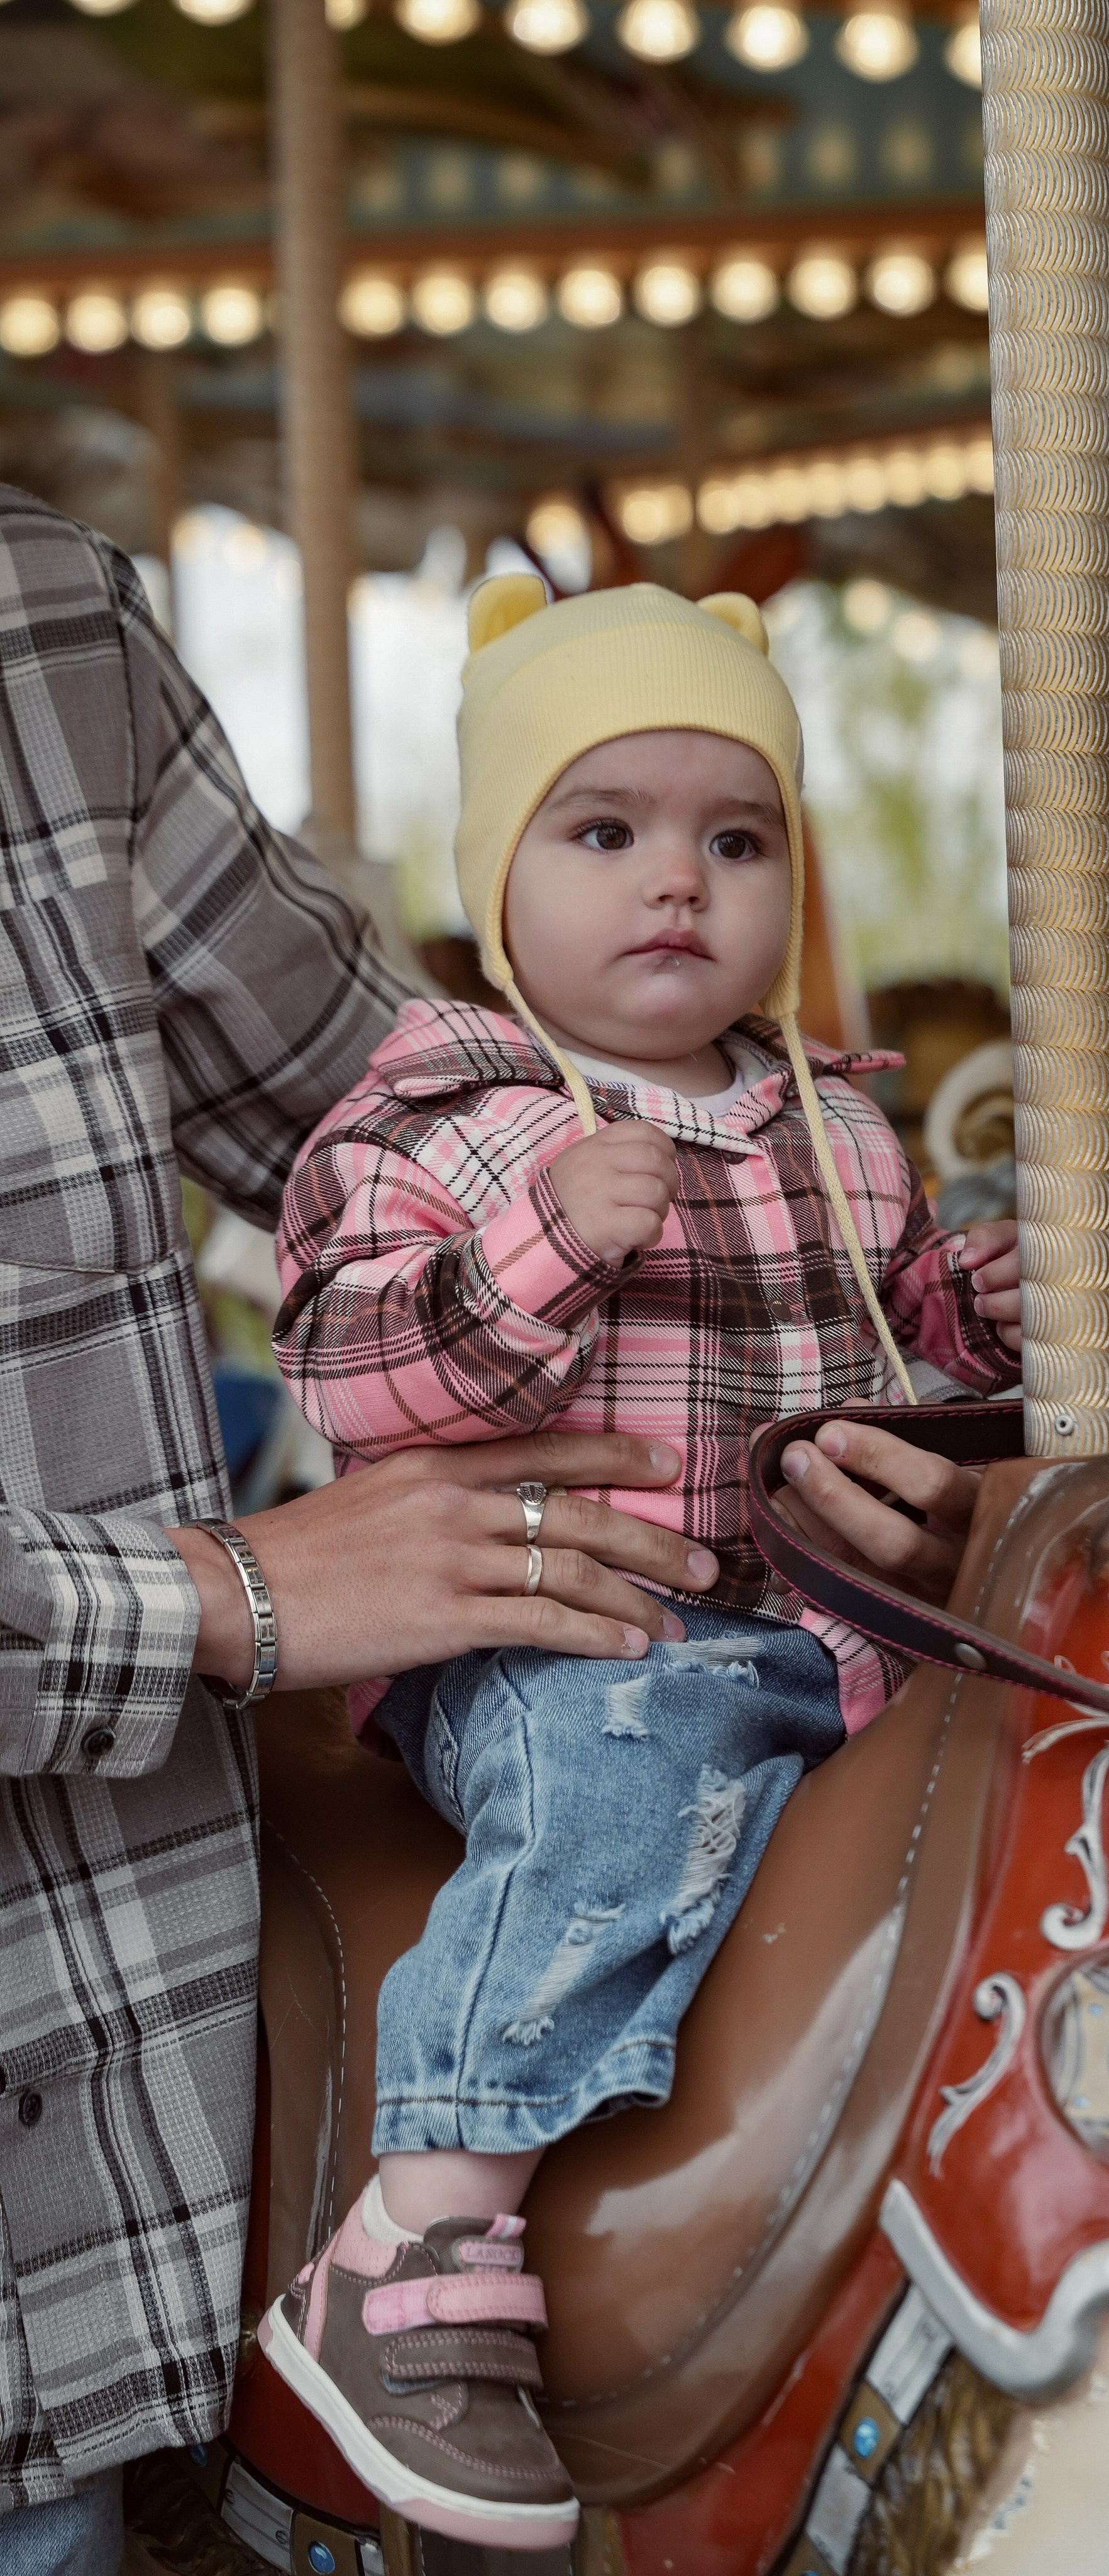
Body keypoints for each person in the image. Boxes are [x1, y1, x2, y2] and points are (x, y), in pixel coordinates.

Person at [0, 491, 736, 2575]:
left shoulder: (43, 619)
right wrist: (235, 1591)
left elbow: (394, 1115)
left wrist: (830, 1366)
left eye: (730, 843)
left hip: (121, 2152)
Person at [262, 577, 1023, 2546]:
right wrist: (543, 1249)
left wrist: (983, 1328)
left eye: (736, 835)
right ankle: (415, 2234)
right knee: (621, 1791)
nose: (676, 880)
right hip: (558, 1645)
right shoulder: (441, 1121)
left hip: (816, 1635)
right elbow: (354, 1370)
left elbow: (886, 1358)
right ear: (498, 873)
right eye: (604, 832)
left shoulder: (839, 1130)